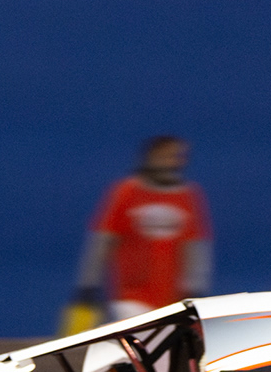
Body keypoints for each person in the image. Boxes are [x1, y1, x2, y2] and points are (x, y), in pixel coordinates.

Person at [66, 135, 213, 331]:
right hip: (131, 294)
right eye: (167, 155)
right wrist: (88, 283)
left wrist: (196, 287)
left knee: (165, 352)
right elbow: (103, 240)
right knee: (143, 339)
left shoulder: (188, 196)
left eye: (177, 156)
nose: (173, 161)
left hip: (172, 297)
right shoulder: (127, 192)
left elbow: (196, 247)